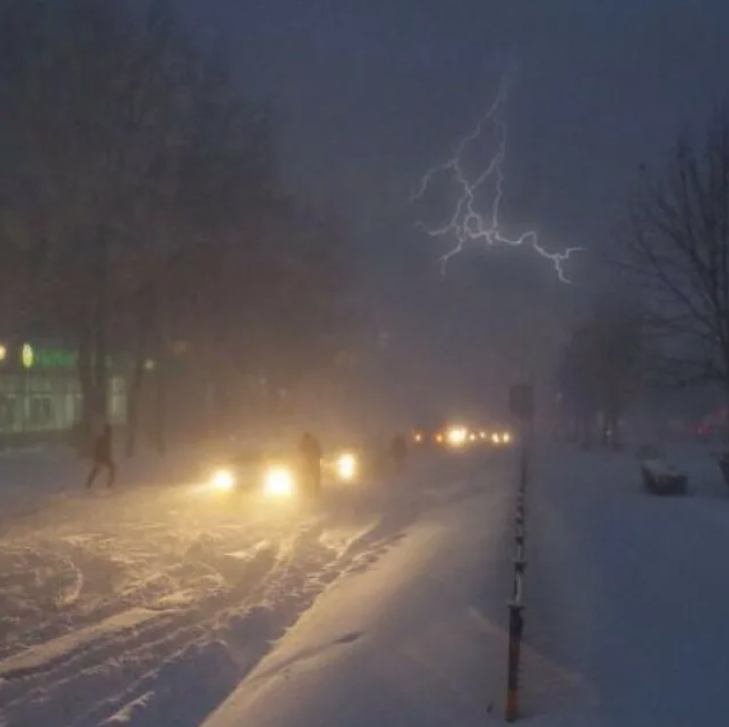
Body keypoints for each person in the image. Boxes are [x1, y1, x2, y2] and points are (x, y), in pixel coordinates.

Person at [86, 423, 116, 489]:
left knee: (111, 468)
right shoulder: (102, 439)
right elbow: (98, 449)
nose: (110, 434)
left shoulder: (106, 439)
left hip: (105, 459)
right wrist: (98, 458)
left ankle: (110, 484)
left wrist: (108, 458)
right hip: (101, 459)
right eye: (109, 432)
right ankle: (88, 484)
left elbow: (107, 451)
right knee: (96, 470)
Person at [298, 431, 322, 496]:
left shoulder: (308, 442)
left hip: (311, 461)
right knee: (310, 476)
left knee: (313, 476)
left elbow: (318, 450)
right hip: (309, 461)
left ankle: (313, 490)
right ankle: (312, 490)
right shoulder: (308, 442)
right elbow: (300, 452)